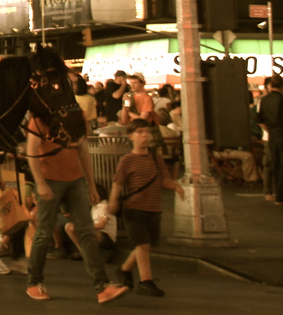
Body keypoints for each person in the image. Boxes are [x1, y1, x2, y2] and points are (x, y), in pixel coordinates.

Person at [22, 109, 127, 304]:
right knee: (44, 231)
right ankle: (33, 281)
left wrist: (91, 184)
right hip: (50, 178)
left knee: (85, 230)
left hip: (75, 179)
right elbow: (32, 151)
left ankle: (102, 286)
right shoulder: (40, 118)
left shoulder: (77, 115)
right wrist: (41, 182)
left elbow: (83, 150)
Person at [108, 119, 186, 296]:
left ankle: (125, 269)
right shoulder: (127, 160)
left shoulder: (155, 159)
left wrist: (176, 186)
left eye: (146, 132)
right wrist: (113, 202)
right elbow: (117, 183)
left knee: (149, 245)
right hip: (133, 209)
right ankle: (146, 281)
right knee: (143, 244)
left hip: (153, 208)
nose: (144, 136)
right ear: (131, 137)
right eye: (140, 132)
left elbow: (164, 180)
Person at [257, 76, 283, 204]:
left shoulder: (264, 100)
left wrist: (270, 131)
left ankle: (276, 193)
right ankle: (282, 195)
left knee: (275, 164)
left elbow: (260, 121)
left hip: (272, 135)